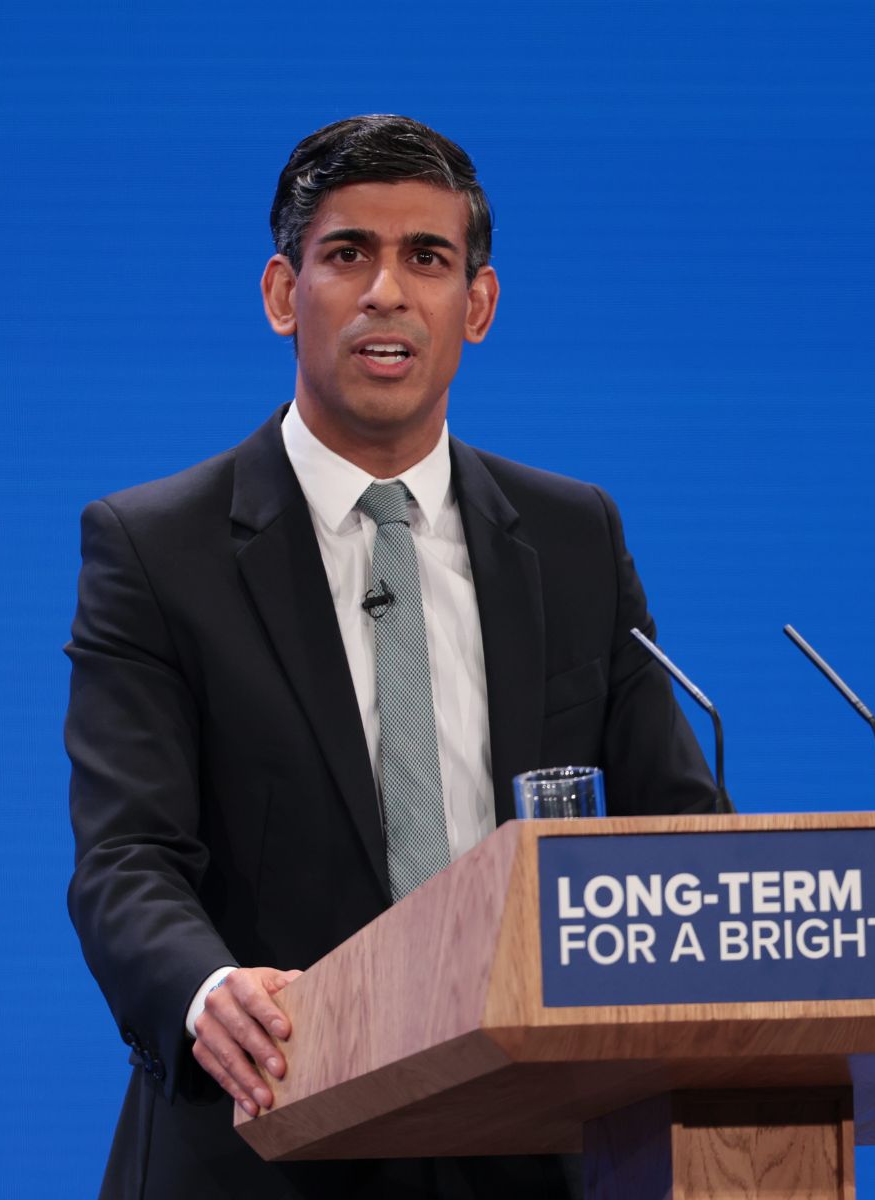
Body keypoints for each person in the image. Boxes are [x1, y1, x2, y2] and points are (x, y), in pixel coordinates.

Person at [65, 114, 717, 1198]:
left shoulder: (573, 539)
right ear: (283, 293)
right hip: (266, 1135)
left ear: (478, 305)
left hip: (536, 1144)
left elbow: (681, 830)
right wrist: (205, 987)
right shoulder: (155, 548)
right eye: (346, 254)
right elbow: (124, 859)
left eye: (427, 257)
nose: (385, 292)